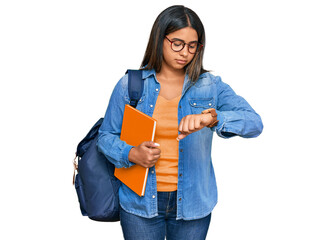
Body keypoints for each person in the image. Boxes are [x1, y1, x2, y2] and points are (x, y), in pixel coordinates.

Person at [97, 5, 263, 240]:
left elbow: (254, 123)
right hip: (140, 203)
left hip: (193, 204)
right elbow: (106, 137)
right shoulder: (131, 85)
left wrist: (212, 118)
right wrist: (132, 154)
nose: (185, 52)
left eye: (192, 46)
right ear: (160, 39)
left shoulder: (210, 86)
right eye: (177, 43)